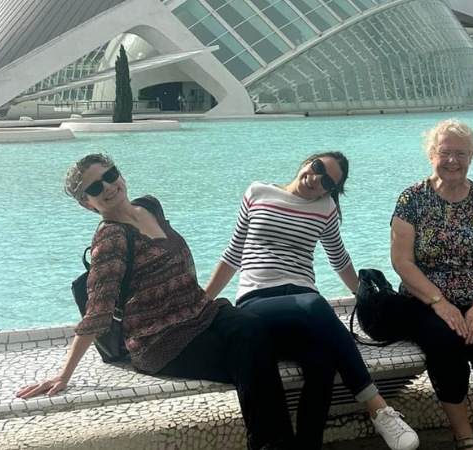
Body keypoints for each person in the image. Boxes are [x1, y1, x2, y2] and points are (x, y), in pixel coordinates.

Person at [17, 154, 295, 450]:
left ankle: (276, 442)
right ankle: (272, 444)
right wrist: (64, 374)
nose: (108, 187)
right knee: (252, 360)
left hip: (200, 310)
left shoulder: (150, 205)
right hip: (160, 339)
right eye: (96, 188)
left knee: (256, 330)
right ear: (87, 203)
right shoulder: (110, 238)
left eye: (110, 176)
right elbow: (98, 310)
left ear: (119, 174)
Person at [204, 151, 419, 450]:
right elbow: (232, 255)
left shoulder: (325, 209)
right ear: (307, 162)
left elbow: (339, 260)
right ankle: (378, 408)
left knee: (321, 364)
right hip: (259, 302)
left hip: (304, 307)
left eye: (328, 182)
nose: (317, 179)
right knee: (315, 305)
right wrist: (200, 304)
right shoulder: (258, 192)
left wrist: (366, 296)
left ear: (331, 190)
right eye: (318, 168)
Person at [390, 119, 473, 450]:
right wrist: (439, 302)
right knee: (444, 345)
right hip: (426, 299)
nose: (452, 161)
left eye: (461, 153)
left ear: (472, 156)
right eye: (445, 152)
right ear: (431, 153)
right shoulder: (411, 199)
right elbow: (402, 262)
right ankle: (464, 435)